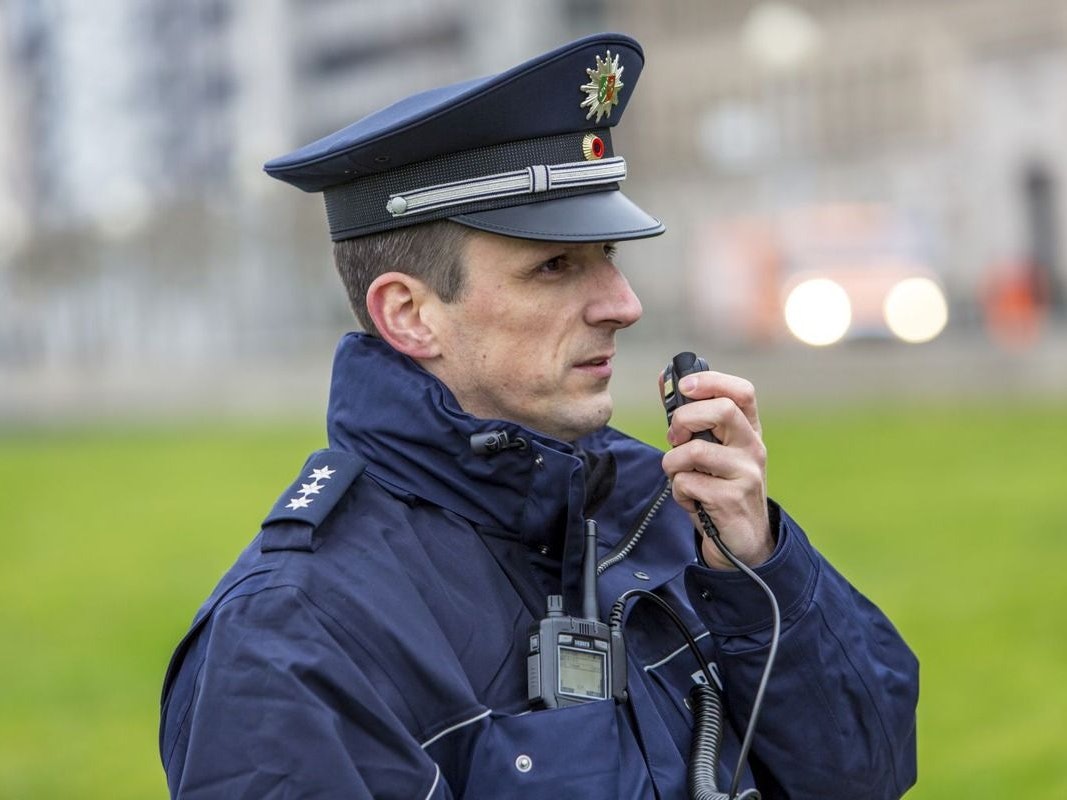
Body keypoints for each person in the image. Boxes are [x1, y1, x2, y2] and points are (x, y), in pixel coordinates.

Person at [159, 32, 918, 799]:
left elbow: (867, 775)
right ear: (409, 314)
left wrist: (758, 570)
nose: (623, 305)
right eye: (553, 266)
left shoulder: (667, 511)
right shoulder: (290, 638)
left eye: (609, 257)